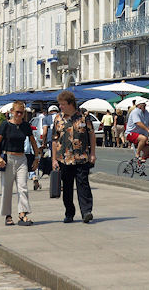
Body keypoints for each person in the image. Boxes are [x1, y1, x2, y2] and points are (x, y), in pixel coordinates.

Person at [51, 90, 96, 224]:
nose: (60, 107)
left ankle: (86, 212)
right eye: (60, 104)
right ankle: (69, 213)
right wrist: (54, 159)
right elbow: (54, 140)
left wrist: (93, 153)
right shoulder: (58, 119)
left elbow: (91, 135)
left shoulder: (84, 117)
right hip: (64, 159)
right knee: (68, 187)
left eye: (63, 104)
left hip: (81, 158)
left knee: (83, 185)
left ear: (70, 104)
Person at [0, 101, 39, 226]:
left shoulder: (25, 126)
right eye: (17, 112)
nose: (19, 115)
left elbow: (33, 142)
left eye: (22, 112)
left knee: (23, 187)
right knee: (7, 189)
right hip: (8, 159)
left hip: (22, 159)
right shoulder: (5, 125)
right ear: (12, 112)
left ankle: (22, 213)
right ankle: (8, 215)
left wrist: (37, 158)